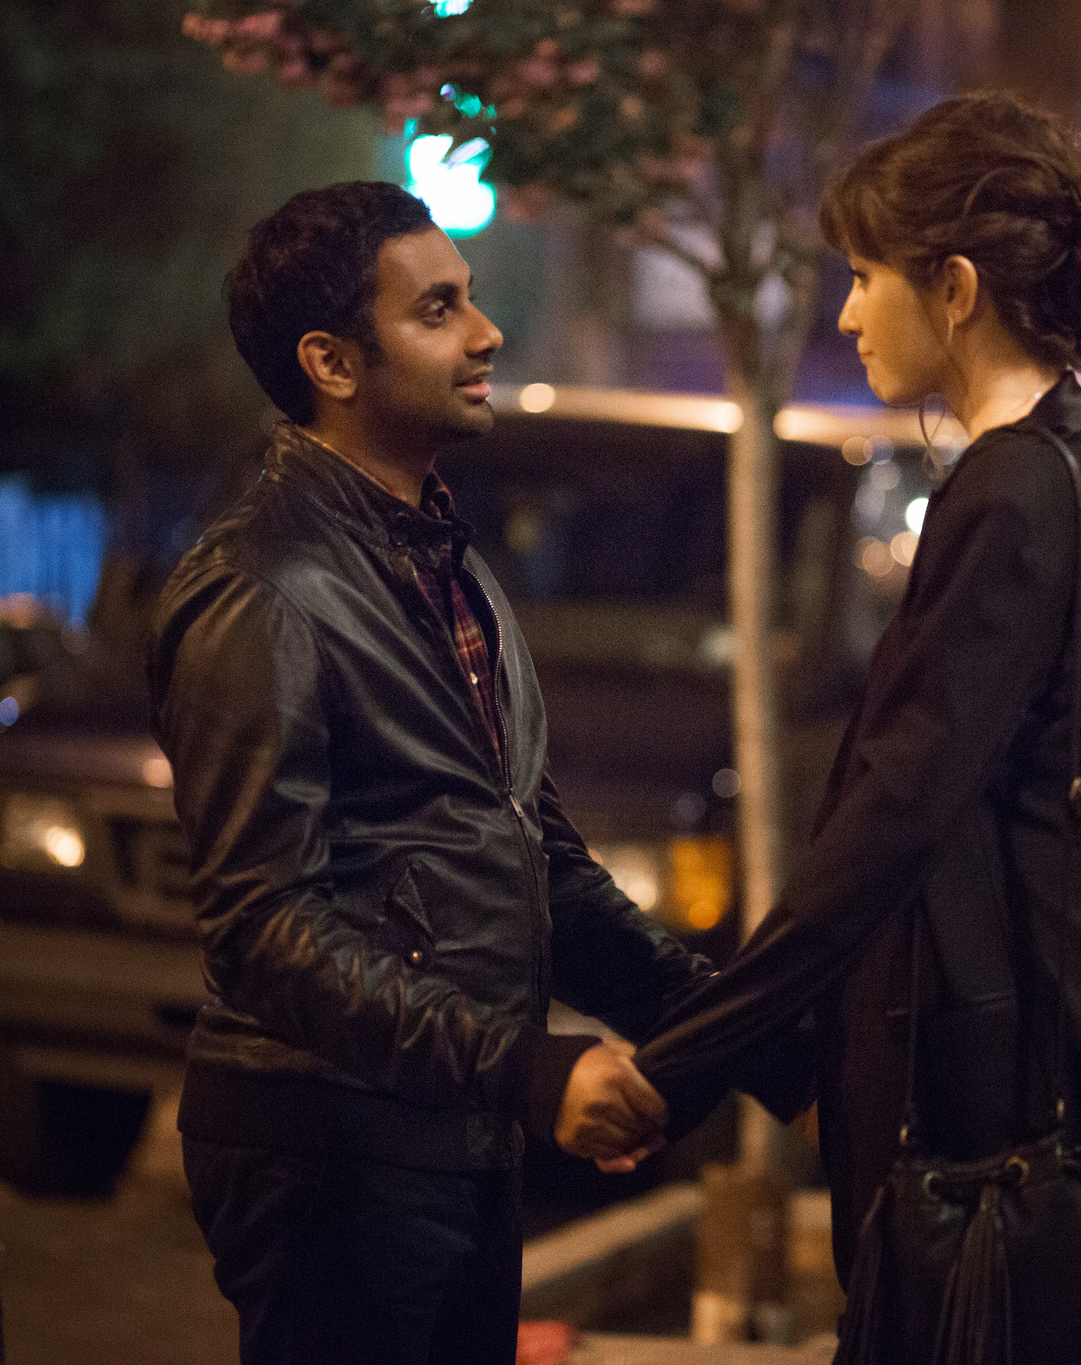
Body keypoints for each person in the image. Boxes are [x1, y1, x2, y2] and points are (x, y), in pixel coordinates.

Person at [634, 93, 1081, 1359]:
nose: (845, 313)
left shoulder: (1005, 499)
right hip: (1076, 1095)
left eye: (861, 276)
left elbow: (890, 818)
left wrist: (683, 1059)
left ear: (951, 287)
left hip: (986, 1132)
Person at [149, 181, 708, 1363]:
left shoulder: (441, 559)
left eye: (470, 302)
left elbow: (532, 852)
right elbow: (261, 926)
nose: (485, 333)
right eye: (438, 310)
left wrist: (732, 1030)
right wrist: (526, 1066)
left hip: (446, 1128)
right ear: (332, 362)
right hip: (328, 1147)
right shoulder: (263, 583)